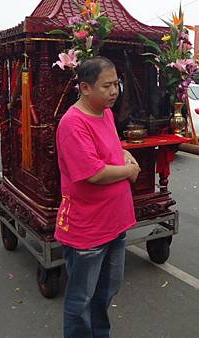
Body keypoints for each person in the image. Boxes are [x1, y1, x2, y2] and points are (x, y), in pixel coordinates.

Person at [55, 57, 140, 338]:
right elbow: (92, 173)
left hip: (114, 222)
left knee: (106, 292)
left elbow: (111, 149)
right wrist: (128, 171)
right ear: (85, 88)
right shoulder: (73, 123)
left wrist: (124, 154)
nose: (114, 91)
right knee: (81, 299)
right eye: (107, 86)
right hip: (88, 228)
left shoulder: (104, 112)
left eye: (116, 83)